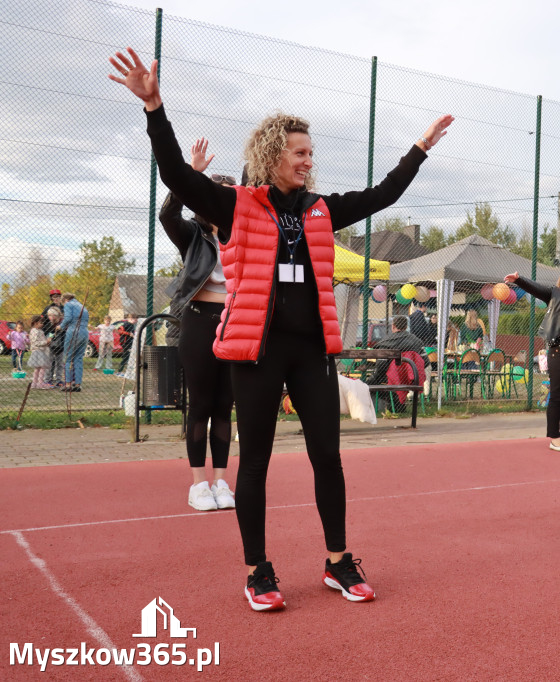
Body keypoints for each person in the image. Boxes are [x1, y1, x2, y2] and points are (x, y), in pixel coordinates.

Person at [109, 46, 453, 611]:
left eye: (311, 152)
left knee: (328, 458)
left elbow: (384, 195)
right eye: (300, 152)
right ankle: (257, 571)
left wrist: (419, 148)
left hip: (312, 353)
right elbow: (174, 174)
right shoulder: (236, 205)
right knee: (259, 461)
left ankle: (339, 561)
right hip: (258, 354)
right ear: (273, 154)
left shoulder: (320, 209)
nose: (308, 160)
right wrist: (154, 107)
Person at [159, 137, 237, 513]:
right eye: (213, 196)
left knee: (225, 405)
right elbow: (167, 216)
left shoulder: (242, 236)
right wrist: (191, 175)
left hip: (234, 325)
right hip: (199, 322)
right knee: (201, 405)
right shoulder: (192, 235)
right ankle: (198, 484)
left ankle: (222, 480)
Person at [505, 262, 560, 452]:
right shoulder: (556, 293)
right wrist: (519, 280)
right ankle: (554, 438)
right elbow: (536, 289)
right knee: (558, 395)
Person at [366, 316, 425, 411]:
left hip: (392, 377)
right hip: (413, 377)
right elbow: (424, 362)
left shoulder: (385, 342)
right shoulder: (417, 342)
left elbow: (381, 367)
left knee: (371, 382)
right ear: (406, 327)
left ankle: (391, 405)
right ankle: (398, 406)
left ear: (393, 326)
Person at [60, 293, 89, 392]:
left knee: (68, 358)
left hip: (73, 331)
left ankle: (67, 384)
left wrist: (61, 326)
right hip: (84, 332)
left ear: (65, 300)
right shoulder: (82, 306)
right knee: (78, 358)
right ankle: (77, 384)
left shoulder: (68, 305)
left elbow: (68, 318)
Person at [41, 289, 63, 384]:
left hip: (62, 336)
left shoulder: (64, 308)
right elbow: (42, 322)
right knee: (50, 359)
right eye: (54, 297)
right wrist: (48, 332)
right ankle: (48, 379)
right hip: (50, 335)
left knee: (60, 360)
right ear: (51, 298)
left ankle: (58, 379)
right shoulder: (48, 308)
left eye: (58, 296)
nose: (56, 298)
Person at [27, 316, 53, 388]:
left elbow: (42, 340)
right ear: (35, 323)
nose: (42, 324)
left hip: (41, 350)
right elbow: (35, 342)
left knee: (38, 368)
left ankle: (35, 383)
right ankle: (39, 383)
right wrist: (45, 342)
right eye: (41, 323)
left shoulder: (40, 331)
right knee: (41, 367)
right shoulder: (34, 331)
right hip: (38, 351)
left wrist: (47, 341)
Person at [46, 307, 64, 387]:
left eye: (53, 315)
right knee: (50, 363)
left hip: (61, 345)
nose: (51, 317)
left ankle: (58, 380)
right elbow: (49, 332)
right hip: (51, 345)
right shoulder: (49, 323)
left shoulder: (62, 323)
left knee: (59, 363)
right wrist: (49, 337)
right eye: (49, 315)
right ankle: (48, 380)